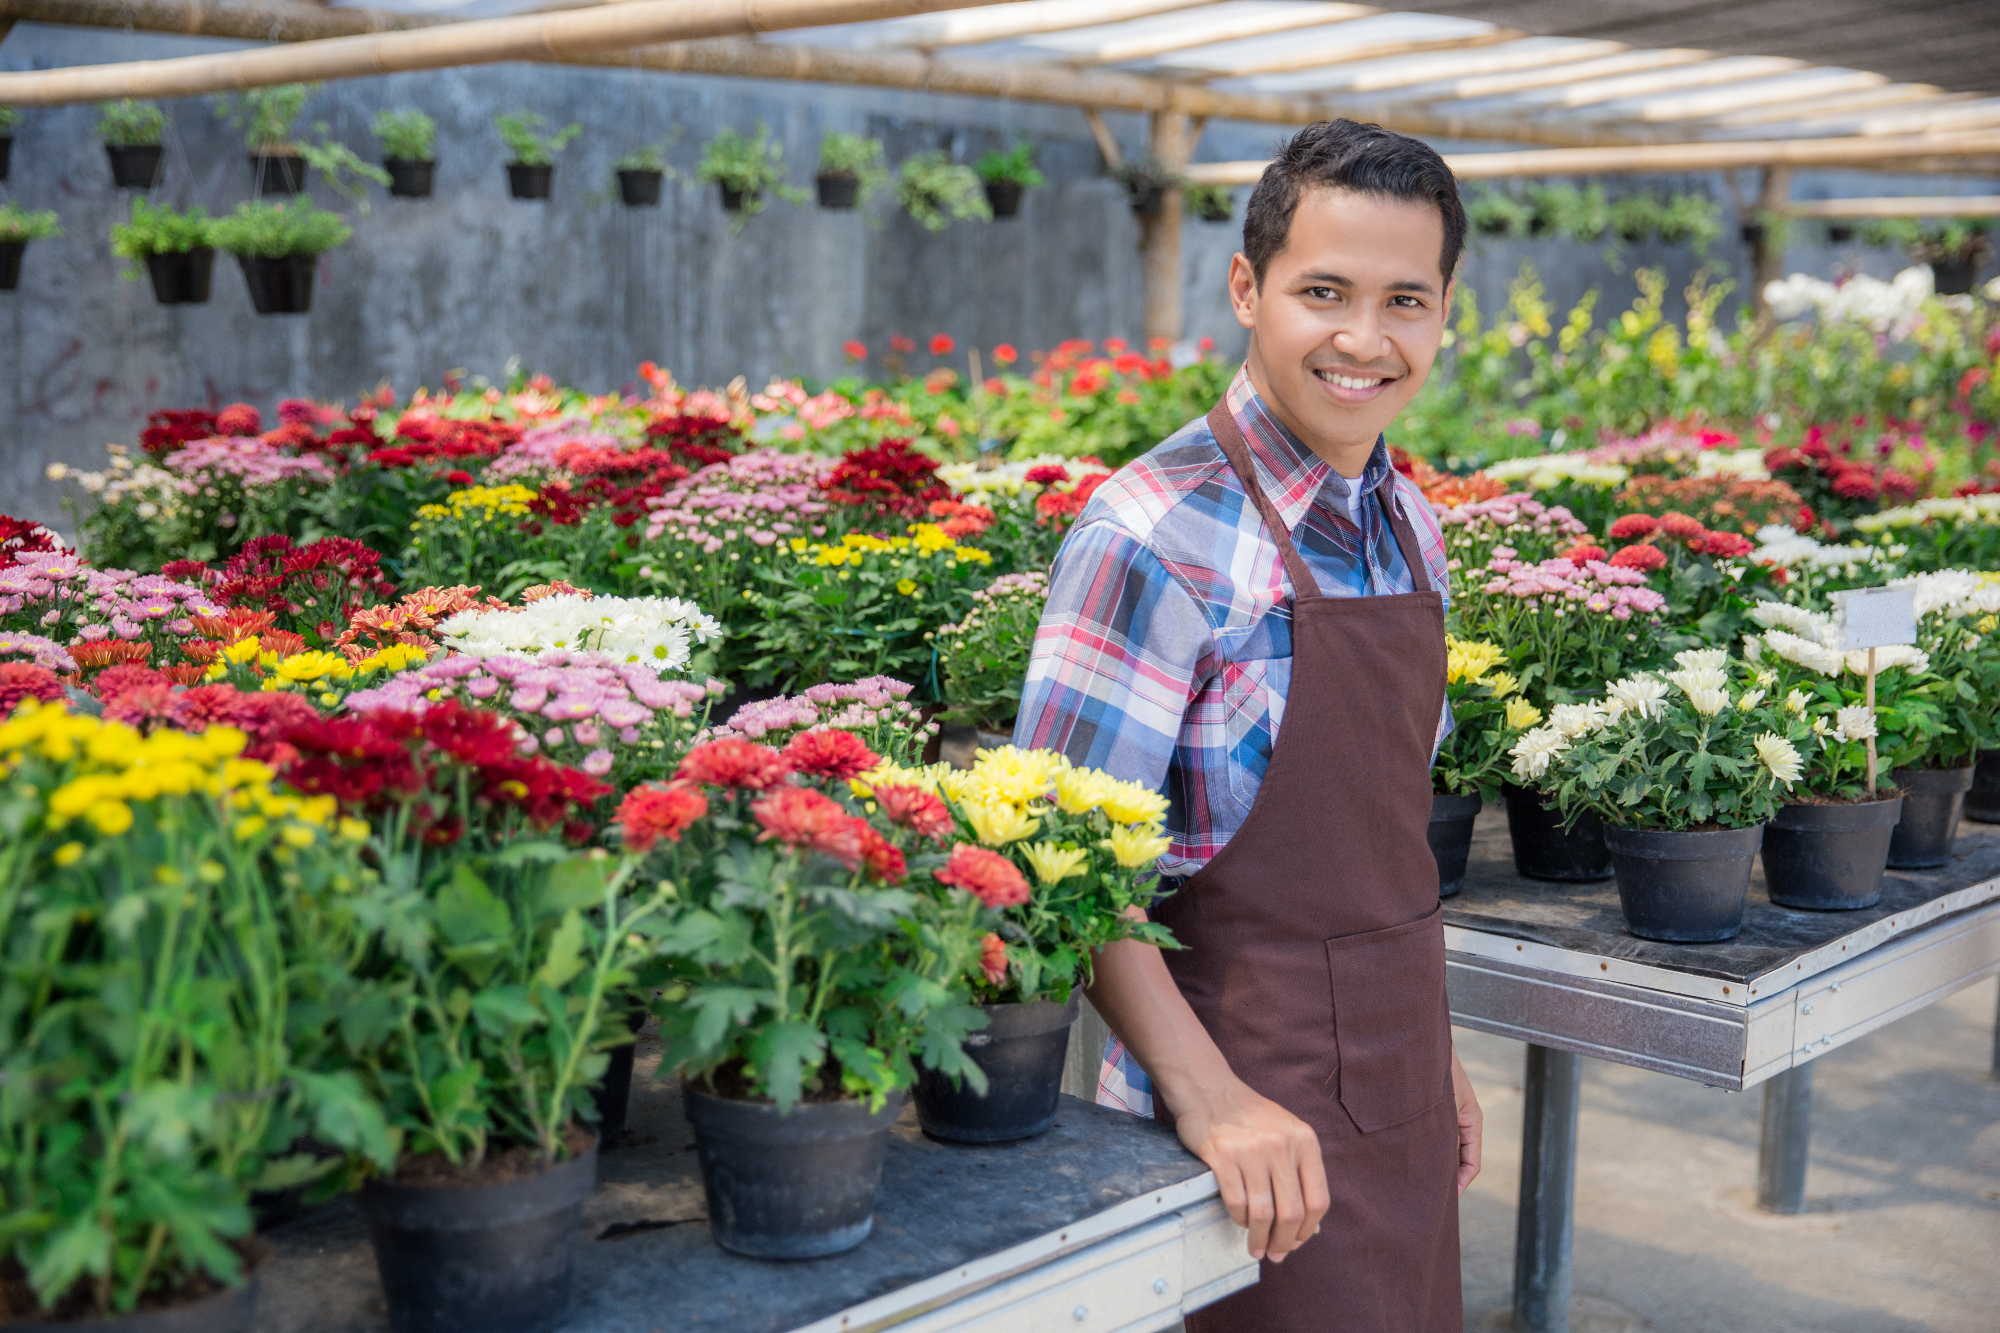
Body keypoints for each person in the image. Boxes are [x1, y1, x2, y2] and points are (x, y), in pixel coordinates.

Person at [1013, 120, 1482, 1332]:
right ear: (1245, 288)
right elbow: (1061, 883)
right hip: (1233, 1113)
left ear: (1444, 314)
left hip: (1398, 1081)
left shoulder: (1410, 529)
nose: (1363, 340)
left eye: (1403, 300)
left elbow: (1384, 845)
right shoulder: (1150, 537)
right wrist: (1209, 1099)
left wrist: (1430, 1056)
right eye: (1321, 291)